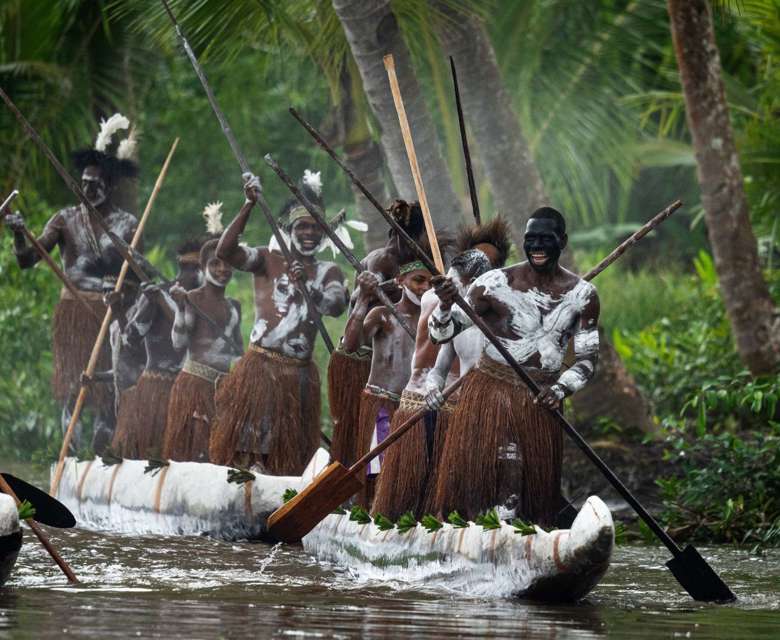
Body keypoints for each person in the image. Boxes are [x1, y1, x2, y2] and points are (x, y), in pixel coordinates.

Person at [426, 207, 600, 526]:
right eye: (530, 240)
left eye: (545, 240)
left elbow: (588, 359)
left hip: (540, 400)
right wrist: (447, 304)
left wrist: (560, 388)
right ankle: (471, 530)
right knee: (481, 473)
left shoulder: (582, 296)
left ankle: (524, 535)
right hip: (489, 392)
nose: (537, 247)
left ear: (562, 241)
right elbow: (441, 334)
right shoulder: (494, 283)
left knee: (528, 486)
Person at [4, 114, 138, 452]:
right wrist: (20, 235)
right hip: (72, 312)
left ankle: (103, 449)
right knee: (72, 383)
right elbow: (26, 260)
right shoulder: (64, 219)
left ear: (110, 185)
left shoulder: (126, 224)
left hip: (108, 314)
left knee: (106, 387)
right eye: (84, 182)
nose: (88, 188)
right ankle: (70, 449)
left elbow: (134, 276)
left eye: (96, 183)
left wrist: (122, 293)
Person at [371, 218, 511, 520]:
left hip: (463, 411)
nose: (480, 267)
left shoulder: (498, 306)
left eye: (489, 263)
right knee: (409, 496)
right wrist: (451, 294)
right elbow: (441, 327)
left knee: (450, 500)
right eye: (476, 260)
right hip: (424, 403)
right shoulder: (436, 297)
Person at [210, 171, 347, 473]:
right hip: (260, 368)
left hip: (298, 376)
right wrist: (248, 205)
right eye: (302, 226)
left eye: (315, 227)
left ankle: (281, 500)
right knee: (248, 448)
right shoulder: (266, 259)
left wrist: (309, 288)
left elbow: (337, 305)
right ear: (289, 229)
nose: (309, 232)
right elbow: (225, 252)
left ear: (324, 234)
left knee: (288, 456)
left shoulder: (328, 272)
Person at [342, 259, 433, 506]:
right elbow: (350, 345)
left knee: (408, 476)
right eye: (418, 280)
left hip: (415, 409)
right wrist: (362, 298)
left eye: (430, 282)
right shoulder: (382, 314)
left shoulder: (437, 321)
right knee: (377, 472)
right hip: (382, 406)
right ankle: (371, 513)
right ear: (400, 281)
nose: (425, 287)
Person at [111, 235, 205, 459]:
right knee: (145, 453)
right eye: (185, 267)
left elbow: (194, 340)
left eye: (196, 268)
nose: (189, 274)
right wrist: (118, 311)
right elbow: (131, 342)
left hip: (192, 391)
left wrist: (166, 303)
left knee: (184, 458)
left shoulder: (208, 302)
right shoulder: (155, 294)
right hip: (155, 388)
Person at [162, 237, 242, 462]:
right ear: (203, 266)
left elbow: (237, 353)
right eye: (215, 263)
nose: (222, 269)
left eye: (227, 264)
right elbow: (178, 342)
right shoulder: (192, 299)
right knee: (191, 453)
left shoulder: (234, 306)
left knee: (218, 456)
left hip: (223, 391)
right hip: (194, 387)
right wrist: (180, 308)